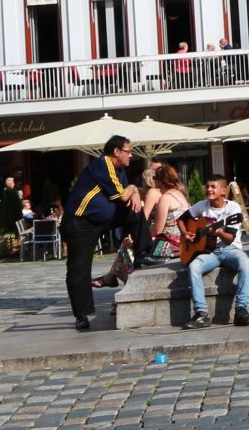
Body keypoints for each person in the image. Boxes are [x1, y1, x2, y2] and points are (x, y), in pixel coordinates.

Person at [62, 137, 133, 331]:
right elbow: (123, 195)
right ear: (116, 152)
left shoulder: (120, 169)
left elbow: (126, 197)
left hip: (100, 220)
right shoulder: (103, 164)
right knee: (79, 268)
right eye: (128, 151)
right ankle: (81, 315)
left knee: (135, 211)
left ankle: (143, 252)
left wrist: (134, 193)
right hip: (79, 222)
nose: (131, 155)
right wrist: (134, 189)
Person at [181, 177, 249, 329]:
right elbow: (181, 219)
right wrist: (185, 233)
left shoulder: (233, 208)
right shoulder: (202, 205)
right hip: (209, 252)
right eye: (207, 186)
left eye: (213, 186)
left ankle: (241, 309)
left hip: (231, 249)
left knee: (245, 263)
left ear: (223, 191)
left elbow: (229, 239)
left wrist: (219, 232)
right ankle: (201, 313)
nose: (209, 189)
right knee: (194, 267)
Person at [142, 163, 191, 262]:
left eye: (155, 178)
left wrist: (142, 233)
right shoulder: (179, 194)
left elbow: (157, 230)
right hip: (184, 240)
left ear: (160, 181)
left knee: (130, 248)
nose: (154, 180)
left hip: (171, 243)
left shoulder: (165, 198)